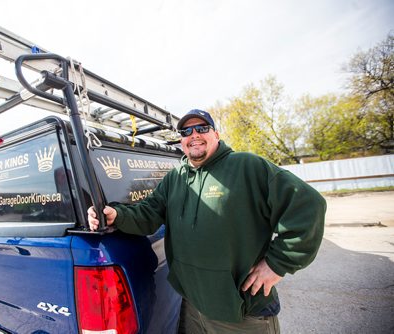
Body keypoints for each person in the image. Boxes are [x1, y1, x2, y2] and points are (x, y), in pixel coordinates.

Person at [88, 109, 326, 333]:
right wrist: (116, 215)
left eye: (202, 128)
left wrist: (277, 263)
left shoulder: (247, 166)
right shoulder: (175, 178)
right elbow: (148, 214)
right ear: (181, 140)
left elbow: (308, 206)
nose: (194, 136)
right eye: (186, 132)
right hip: (193, 306)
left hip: (241, 312)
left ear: (216, 134)